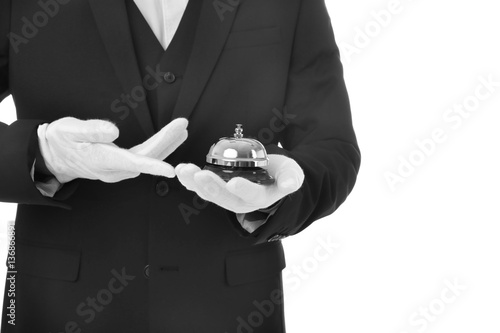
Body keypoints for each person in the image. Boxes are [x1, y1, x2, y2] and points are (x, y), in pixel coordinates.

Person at [0, 0, 361, 331]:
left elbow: (332, 146)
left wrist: (277, 195)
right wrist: (41, 154)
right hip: (55, 304)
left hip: (232, 309)